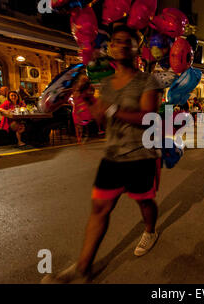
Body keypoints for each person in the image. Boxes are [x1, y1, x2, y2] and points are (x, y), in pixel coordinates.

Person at [41, 24, 163, 284]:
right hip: (112, 156)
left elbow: (147, 117)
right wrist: (85, 99)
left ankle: (150, 231)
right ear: (110, 47)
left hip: (141, 156)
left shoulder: (147, 81)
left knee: (144, 203)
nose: (120, 45)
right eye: (115, 41)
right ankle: (83, 268)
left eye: (126, 41)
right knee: (99, 209)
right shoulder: (106, 83)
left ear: (136, 47)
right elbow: (102, 120)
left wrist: (112, 111)